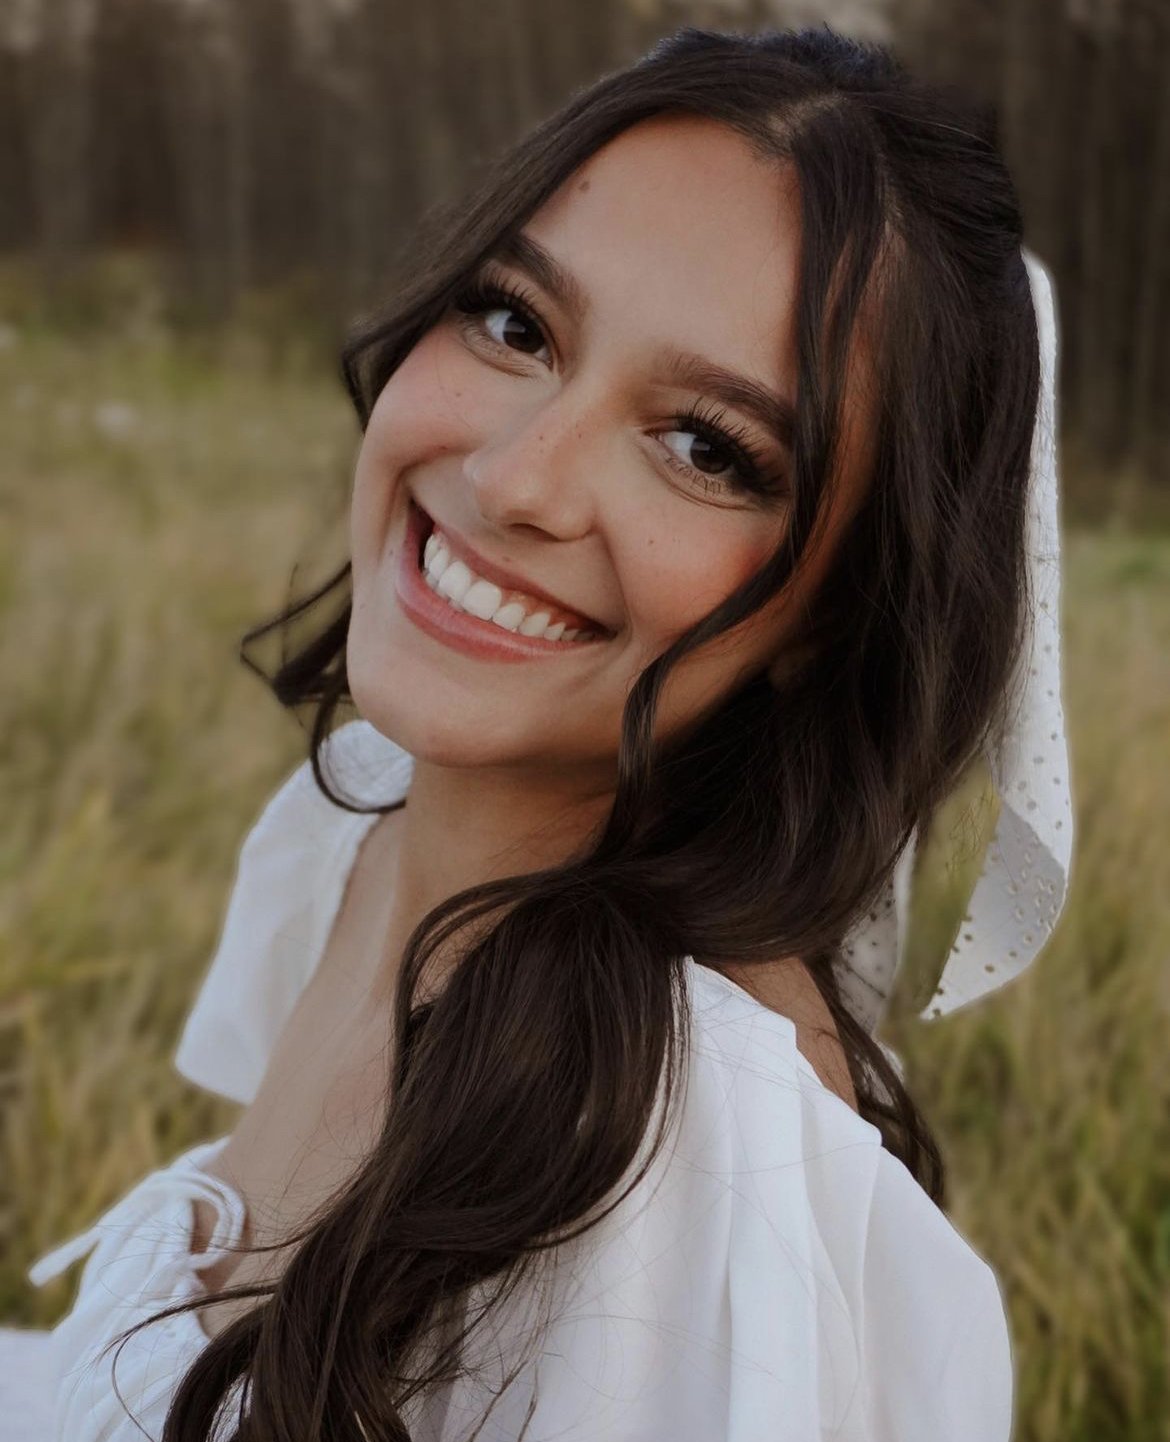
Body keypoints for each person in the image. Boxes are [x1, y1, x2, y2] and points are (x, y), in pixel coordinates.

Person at [26, 22, 1073, 1442]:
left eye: (705, 446)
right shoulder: (362, 823)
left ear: (837, 612)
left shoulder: (682, 1169)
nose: (516, 478)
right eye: (517, 324)